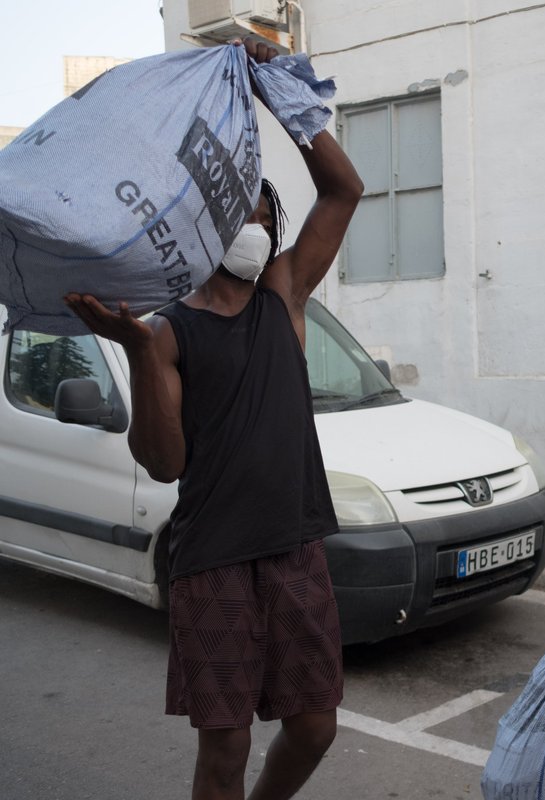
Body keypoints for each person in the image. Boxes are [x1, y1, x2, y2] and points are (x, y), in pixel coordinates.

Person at [66, 41, 363, 800]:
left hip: (295, 549)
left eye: (265, 210)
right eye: (240, 211)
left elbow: (344, 190)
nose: (255, 222)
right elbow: (164, 463)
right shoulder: (168, 332)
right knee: (224, 748)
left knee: (315, 727)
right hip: (213, 560)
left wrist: (276, 92)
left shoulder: (285, 293)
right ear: (207, 229)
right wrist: (135, 350)